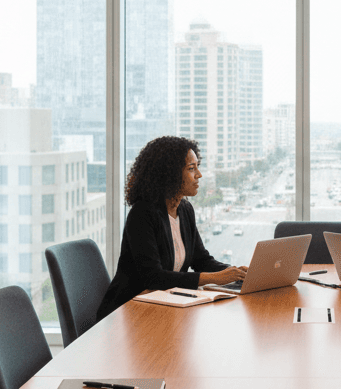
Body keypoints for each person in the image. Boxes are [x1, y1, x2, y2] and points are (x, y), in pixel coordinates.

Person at [96, 136, 247, 319]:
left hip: (164, 309)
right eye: (191, 168)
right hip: (128, 312)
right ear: (170, 174)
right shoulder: (142, 213)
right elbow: (154, 277)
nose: (199, 174)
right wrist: (216, 278)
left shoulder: (185, 209)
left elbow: (201, 260)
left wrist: (237, 274)